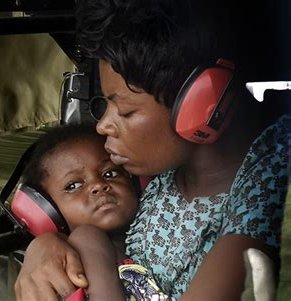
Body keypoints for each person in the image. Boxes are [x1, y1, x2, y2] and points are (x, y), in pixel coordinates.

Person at [15, 0, 291, 300]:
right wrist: (45, 245)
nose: (103, 126)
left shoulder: (270, 178)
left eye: (126, 110)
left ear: (202, 102)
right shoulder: (157, 175)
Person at [20, 123, 173, 300]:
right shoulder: (86, 242)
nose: (98, 185)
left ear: (136, 181)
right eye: (73, 185)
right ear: (47, 211)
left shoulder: (157, 230)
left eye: (109, 173)